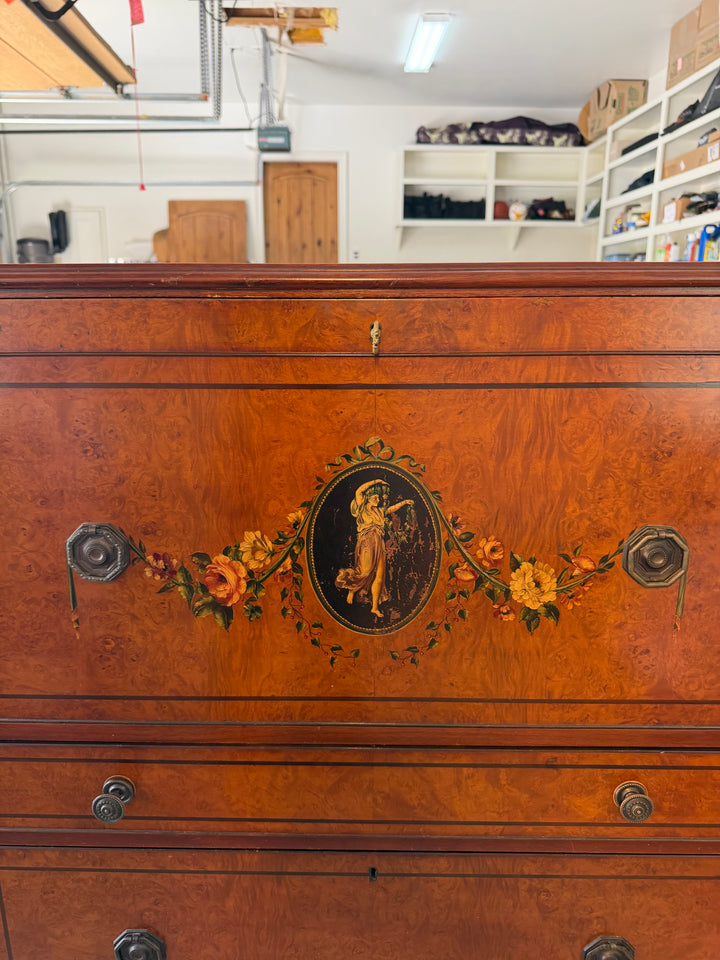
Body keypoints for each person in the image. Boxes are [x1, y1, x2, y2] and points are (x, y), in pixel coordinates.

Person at [335, 478, 413, 617]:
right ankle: (352, 589)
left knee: (380, 575)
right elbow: (359, 491)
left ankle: (375, 607)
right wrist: (376, 481)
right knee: (364, 572)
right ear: (367, 498)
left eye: (378, 497)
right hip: (366, 542)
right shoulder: (361, 508)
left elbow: (391, 509)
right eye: (375, 497)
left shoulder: (379, 511)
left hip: (379, 544)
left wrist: (405, 502)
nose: (378, 500)